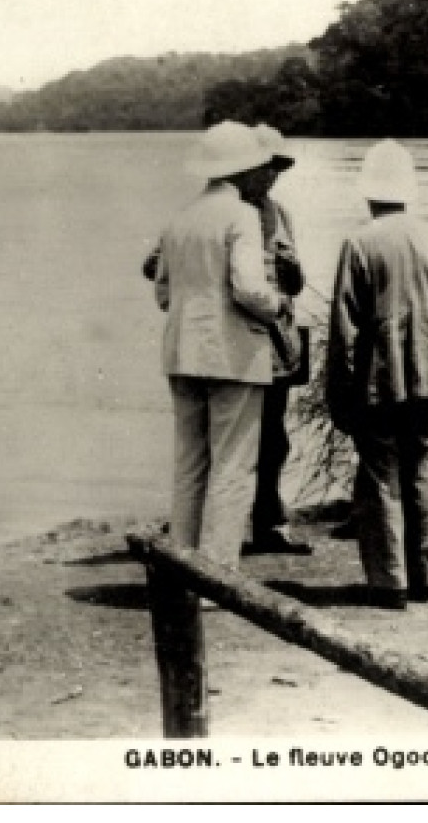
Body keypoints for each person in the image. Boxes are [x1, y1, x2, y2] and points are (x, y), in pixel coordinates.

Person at [326, 140, 428, 609]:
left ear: (369, 193)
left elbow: (344, 328)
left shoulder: (360, 243)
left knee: (381, 476)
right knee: (423, 474)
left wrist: (339, 391)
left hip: (377, 382)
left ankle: (389, 581)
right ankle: (426, 574)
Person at [153, 121, 288, 565]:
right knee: (232, 467)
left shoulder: (179, 218)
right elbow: (249, 288)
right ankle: (218, 577)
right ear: (245, 171)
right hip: (232, 354)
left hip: (181, 351)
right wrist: (279, 303)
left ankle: (182, 568)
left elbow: (163, 293)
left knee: (190, 464)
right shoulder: (242, 215)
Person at [243, 124, 313, 556]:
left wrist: (292, 270)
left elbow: (296, 283)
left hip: (279, 345)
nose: (272, 176)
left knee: (274, 438)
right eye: (266, 168)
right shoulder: (225, 213)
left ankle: (269, 522)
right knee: (237, 439)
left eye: (278, 169)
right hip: (241, 343)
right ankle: (230, 525)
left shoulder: (280, 213)